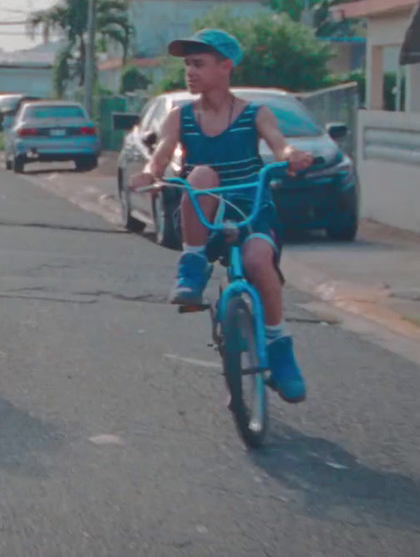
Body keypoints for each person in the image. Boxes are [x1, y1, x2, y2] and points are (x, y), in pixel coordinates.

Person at [129, 29, 314, 403]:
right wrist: (151, 173)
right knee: (200, 174)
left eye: (199, 64)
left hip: (251, 208)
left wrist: (291, 156)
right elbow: (163, 153)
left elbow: (279, 144)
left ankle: (279, 347)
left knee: (258, 260)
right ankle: (193, 263)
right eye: (187, 65)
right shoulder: (181, 116)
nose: (190, 72)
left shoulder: (253, 113)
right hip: (203, 210)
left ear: (226, 67)